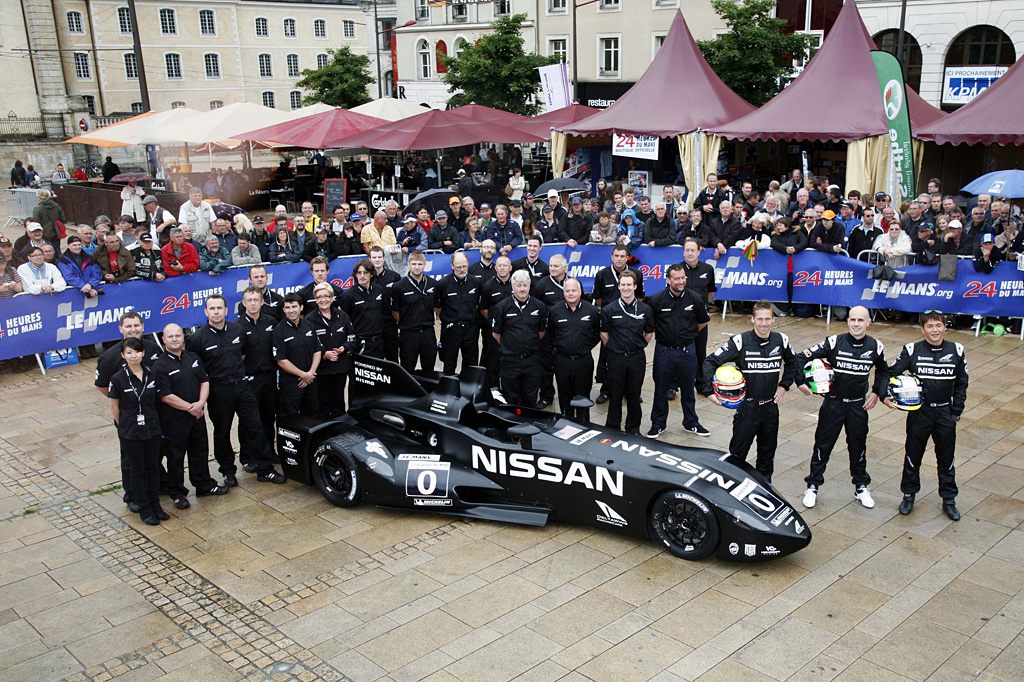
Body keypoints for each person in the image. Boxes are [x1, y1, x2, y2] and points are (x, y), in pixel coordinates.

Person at [186, 295, 287, 486]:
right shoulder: (197, 339)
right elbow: (196, 369)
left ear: (226, 310)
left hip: (242, 386)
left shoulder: (237, 330)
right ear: (206, 312)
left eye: (219, 308)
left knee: (255, 426)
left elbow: (243, 354)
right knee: (222, 431)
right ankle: (228, 471)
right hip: (218, 391)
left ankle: (265, 469)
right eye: (212, 308)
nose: (216, 312)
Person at [796, 306, 887, 509]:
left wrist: (876, 392)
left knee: (858, 447)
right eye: (852, 319)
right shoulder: (834, 341)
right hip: (833, 403)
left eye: (860, 320)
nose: (856, 324)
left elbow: (884, 371)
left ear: (868, 323)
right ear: (847, 321)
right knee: (823, 445)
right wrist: (800, 381)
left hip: (857, 406)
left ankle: (861, 487)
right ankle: (812, 486)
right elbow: (801, 357)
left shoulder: (875, 346)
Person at [885, 311, 968, 521]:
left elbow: (962, 383)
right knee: (913, 455)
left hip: (944, 413)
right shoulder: (912, 349)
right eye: (930, 326)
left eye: (938, 326)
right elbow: (890, 372)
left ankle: (949, 498)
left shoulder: (957, 350)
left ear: (945, 327)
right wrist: (886, 395)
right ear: (923, 329)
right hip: (919, 413)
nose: (934, 330)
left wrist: (956, 412)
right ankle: (909, 494)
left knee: (946, 458)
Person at [703, 300, 797, 483]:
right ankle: (731, 485)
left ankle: (765, 486)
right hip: (747, 408)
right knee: (738, 453)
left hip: (770, 407)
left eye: (767, 319)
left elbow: (793, 362)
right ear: (752, 319)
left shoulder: (781, 340)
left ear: (773, 319)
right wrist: (708, 391)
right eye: (760, 319)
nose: (764, 323)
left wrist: (784, 385)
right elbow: (710, 361)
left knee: (767, 452)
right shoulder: (740, 341)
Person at [153, 324, 229, 510]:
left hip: (197, 415)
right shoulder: (160, 365)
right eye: (170, 336)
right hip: (175, 420)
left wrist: (201, 403)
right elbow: (165, 395)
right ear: (163, 339)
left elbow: (205, 381)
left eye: (178, 335)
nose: (174, 339)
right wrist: (190, 407)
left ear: (183, 337)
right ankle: (177, 492)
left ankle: (203, 485)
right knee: (176, 457)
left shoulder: (193, 358)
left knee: (200, 451)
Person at [646, 263, 711, 439]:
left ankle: (691, 423)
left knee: (689, 390)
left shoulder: (695, 298)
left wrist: (687, 335)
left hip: (688, 352)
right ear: (668, 280)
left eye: (683, 278)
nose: (681, 282)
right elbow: (649, 325)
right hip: (664, 352)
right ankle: (658, 424)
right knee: (661, 390)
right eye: (677, 279)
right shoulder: (656, 300)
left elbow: (702, 322)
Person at [109, 338, 166, 525]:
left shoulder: (151, 374)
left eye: (137, 352)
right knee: (137, 469)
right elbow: (114, 407)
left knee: (153, 467)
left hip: (151, 428)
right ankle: (144, 508)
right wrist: (124, 426)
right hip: (131, 432)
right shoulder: (118, 379)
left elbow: (157, 401)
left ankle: (155, 504)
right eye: (129, 353)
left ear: (143, 353)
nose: (134, 356)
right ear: (123, 355)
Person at [600, 270, 653, 435]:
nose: (626, 288)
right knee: (615, 395)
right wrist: (616, 347)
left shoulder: (645, 309)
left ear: (635, 286)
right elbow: (604, 334)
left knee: (634, 395)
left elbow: (649, 333)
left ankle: (633, 429)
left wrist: (638, 345)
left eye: (629, 284)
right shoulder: (609, 309)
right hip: (616, 358)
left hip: (636, 358)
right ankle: (612, 428)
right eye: (623, 285)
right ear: (619, 286)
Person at [592, 245, 645, 404]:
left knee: (632, 358)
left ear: (627, 257)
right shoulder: (602, 275)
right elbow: (599, 299)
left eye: (622, 256)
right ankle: (606, 390)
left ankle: (631, 392)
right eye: (616, 255)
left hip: (629, 323)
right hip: (610, 322)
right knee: (607, 356)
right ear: (612, 256)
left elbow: (640, 298)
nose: (619, 259)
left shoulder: (636, 274)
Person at [547, 277, 601, 422]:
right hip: (562, 361)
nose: (570, 293)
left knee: (583, 398)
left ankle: (584, 425)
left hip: (583, 361)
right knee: (565, 398)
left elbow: (597, 334)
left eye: (573, 290)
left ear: (580, 291)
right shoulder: (555, 311)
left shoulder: (592, 310)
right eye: (567, 290)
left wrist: (584, 347)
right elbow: (550, 335)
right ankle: (566, 425)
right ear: (563, 292)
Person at [491, 270, 546, 407]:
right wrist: (511, 346)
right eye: (519, 285)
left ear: (529, 286)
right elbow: (496, 334)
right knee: (511, 398)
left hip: (532, 361)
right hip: (510, 361)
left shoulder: (539, 306)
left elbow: (541, 332)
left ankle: (530, 425)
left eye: (525, 285)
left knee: (530, 398)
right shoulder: (501, 307)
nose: (522, 289)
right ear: (512, 286)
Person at [239, 286, 279, 465]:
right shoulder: (237, 326)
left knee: (269, 418)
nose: (253, 303)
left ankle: (269, 452)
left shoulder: (271, 321)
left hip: (270, 377)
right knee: (248, 420)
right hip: (249, 379)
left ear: (262, 302)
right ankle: (247, 457)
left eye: (256, 300)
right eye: (249, 300)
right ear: (243, 303)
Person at [273, 293, 322, 418]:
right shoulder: (279, 331)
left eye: (294, 307)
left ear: (301, 307)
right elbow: (281, 360)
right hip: (291, 384)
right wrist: (303, 375)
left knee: (312, 416)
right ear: (283, 310)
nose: (291, 311)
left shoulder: (309, 325)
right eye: (288, 308)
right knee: (290, 418)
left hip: (311, 379)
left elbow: (317, 350)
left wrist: (310, 373)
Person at [531, 254, 569, 408]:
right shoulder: (541, 285)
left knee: (564, 366)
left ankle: (567, 395)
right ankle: (547, 395)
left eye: (556, 266)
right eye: (551, 265)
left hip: (566, 333)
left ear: (565, 268)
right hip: (547, 334)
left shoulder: (571, 283)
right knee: (545, 366)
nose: (552, 268)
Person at [433, 251, 480, 374]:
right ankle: (449, 391)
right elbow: (438, 307)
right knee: (449, 362)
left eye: (464, 266)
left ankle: (469, 391)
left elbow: (476, 305)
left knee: (471, 363)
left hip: (470, 328)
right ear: (452, 266)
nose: (462, 269)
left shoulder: (475, 282)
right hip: (451, 329)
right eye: (458, 267)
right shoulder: (442, 284)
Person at [391, 252, 437, 373]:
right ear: (408, 264)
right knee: (407, 368)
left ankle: (428, 391)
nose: (417, 267)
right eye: (414, 264)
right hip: (408, 334)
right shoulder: (399, 286)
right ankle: (408, 392)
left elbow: (437, 307)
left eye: (420, 264)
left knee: (429, 367)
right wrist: (407, 323)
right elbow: (395, 311)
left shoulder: (433, 284)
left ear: (424, 265)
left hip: (428, 332)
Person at [339, 259, 388, 358]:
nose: (362, 276)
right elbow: (343, 320)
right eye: (359, 273)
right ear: (355, 275)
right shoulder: (348, 295)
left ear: (371, 274)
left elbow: (384, 312)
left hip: (378, 341)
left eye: (365, 272)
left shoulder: (379, 290)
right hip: (360, 343)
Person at [479, 255, 514, 389]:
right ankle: (493, 390)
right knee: (493, 362)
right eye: (500, 265)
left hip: (512, 332)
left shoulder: (516, 284)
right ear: (495, 268)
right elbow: (483, 308)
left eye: (505, 265)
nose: (502, 268)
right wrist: (495, 323)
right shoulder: (488, 286)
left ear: (510, 267)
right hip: (493, 332)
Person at [57, 235, 102, 302]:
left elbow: (97, 273)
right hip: (74, 293)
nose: (77, 247)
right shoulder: (63, 260)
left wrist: (90, 284)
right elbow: (69, 277)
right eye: (74, 245)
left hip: (91, 288)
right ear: (68, 246)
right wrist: (83, 286)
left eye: (79, 245)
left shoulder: (89, 258)